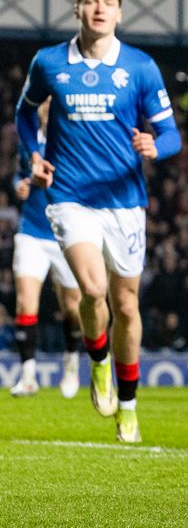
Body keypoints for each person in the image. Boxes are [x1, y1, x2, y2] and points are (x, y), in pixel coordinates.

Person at [16, 0, 182, 443]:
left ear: (120, 11)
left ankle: (128, 405)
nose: (99, 8)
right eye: (91, 0)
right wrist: (33, 152)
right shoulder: (49, 62)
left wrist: (156, 147)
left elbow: (171, 133)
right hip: (69, 196)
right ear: (77, 8)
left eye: (108, 1)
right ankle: (99, 360)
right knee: (92, 290)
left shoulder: (141, 67)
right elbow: (26, 112)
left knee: (126, 304)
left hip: (125, 201)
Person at [8, 100, 84, 399]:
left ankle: (70, 363)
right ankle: (28, 377)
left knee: (72, 309)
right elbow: (18, 173)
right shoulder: (29, 140)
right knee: (26, 304)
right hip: (32, 231)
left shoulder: (72, 137)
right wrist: (20, 185)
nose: (47, 108)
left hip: (65, 233)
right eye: (43, 103)